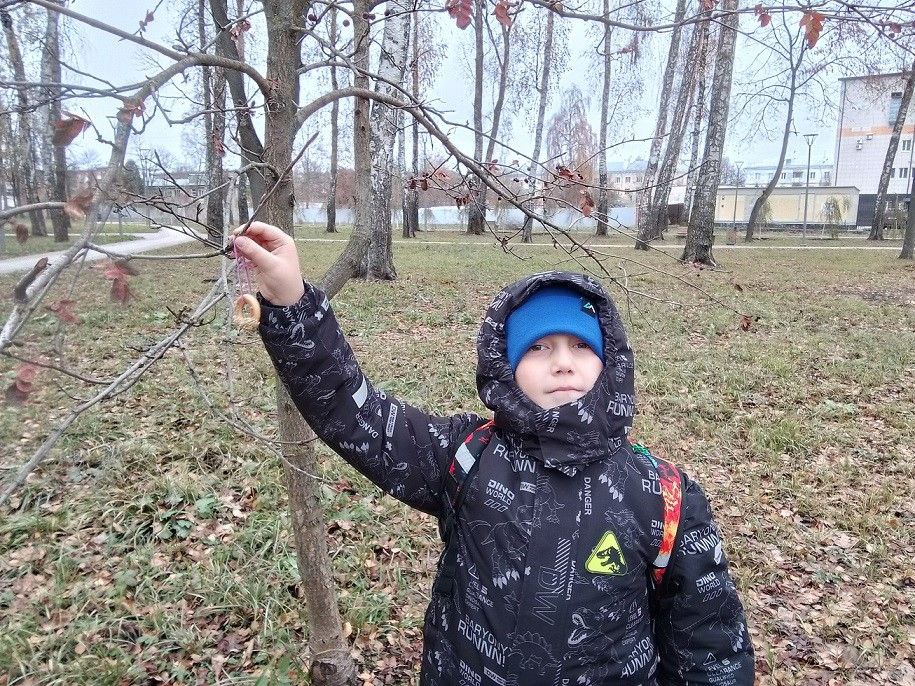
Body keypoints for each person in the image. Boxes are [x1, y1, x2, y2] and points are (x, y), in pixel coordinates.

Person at [232, 221, 755, 685]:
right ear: (505, 365)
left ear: (608, 361)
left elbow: (708, 643)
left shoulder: (662, 496)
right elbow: (355, 414)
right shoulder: (466, 458)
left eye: (580, 347)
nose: (563, 364)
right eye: (538, 347)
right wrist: (292, 303)